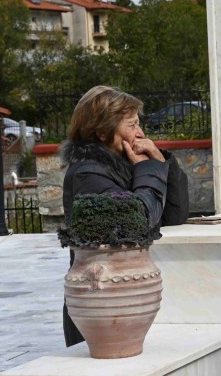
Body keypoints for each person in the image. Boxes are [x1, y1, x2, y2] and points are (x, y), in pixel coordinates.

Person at [61, 85, 189, 346]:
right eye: (131, 125)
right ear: (102, 132)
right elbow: (138, 219)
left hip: (126, 303)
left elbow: (175, 214)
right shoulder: (90, 175)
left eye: (138, 124)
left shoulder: (126, 166)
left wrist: (160, 162)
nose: (140, 133)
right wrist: (149, 171)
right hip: (103, 308)